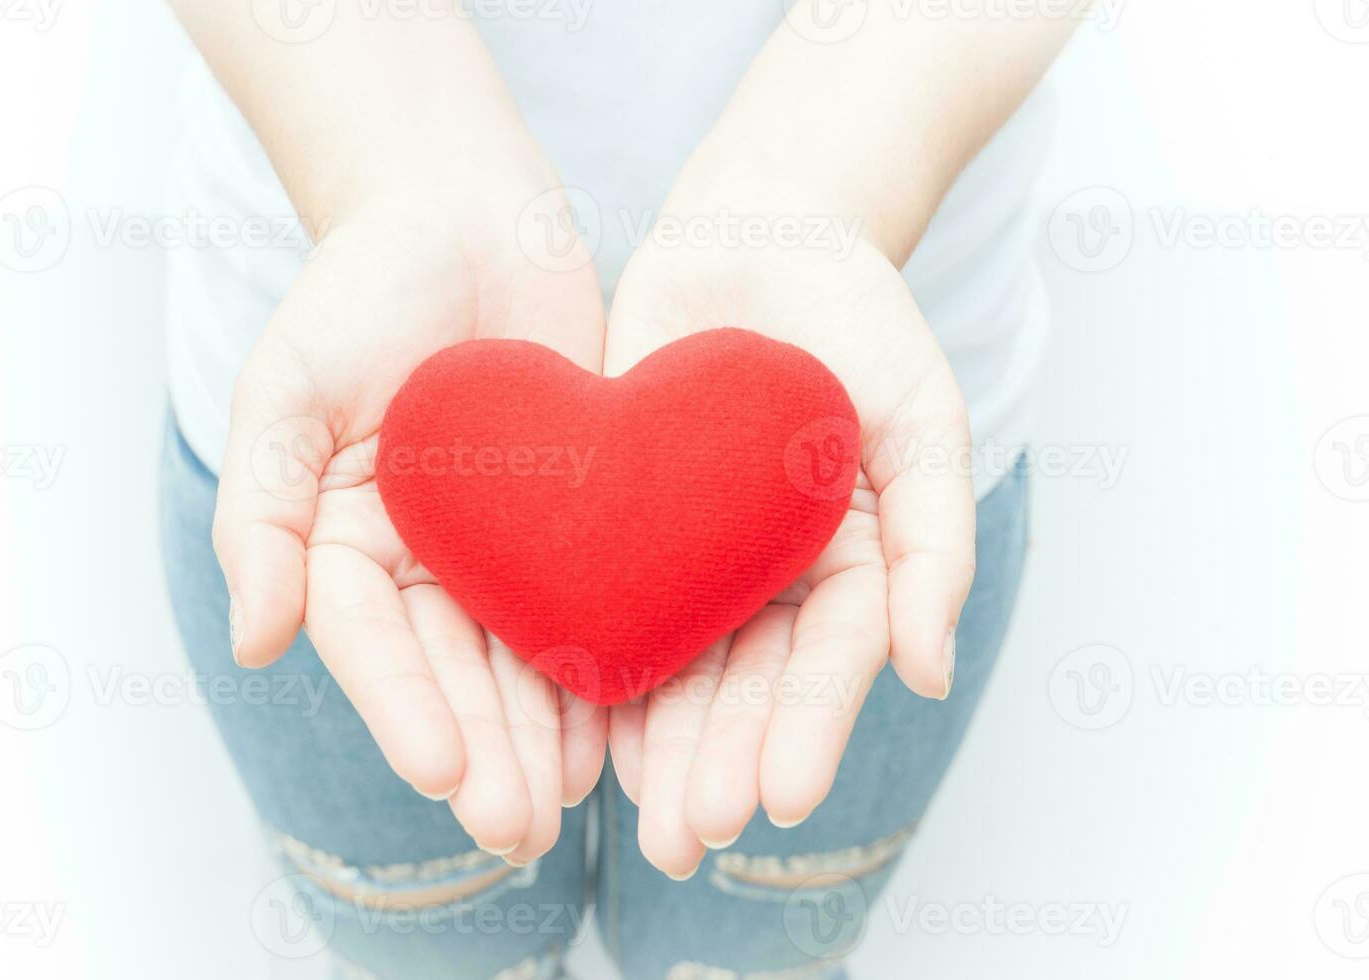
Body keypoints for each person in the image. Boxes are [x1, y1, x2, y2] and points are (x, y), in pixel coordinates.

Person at [158, 2, 1077, 976]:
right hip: (349, 449)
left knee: (752, 954)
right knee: (438, 952)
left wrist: (820, 180)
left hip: (863, 465)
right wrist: (399, 166)